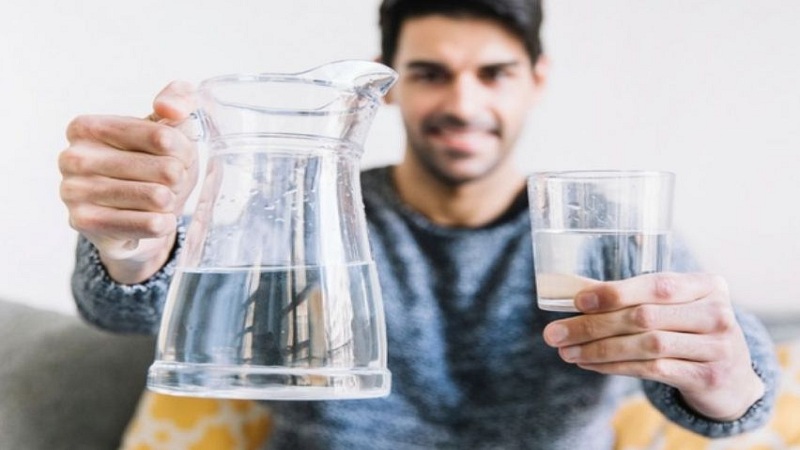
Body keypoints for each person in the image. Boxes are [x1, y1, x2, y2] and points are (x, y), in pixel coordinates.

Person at [58, 0, 778, 448]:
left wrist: (724, 376)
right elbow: (132, 306)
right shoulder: (311, 213)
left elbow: (735, 392)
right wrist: (132, 246)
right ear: (390, 81)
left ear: (536, 79)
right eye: (431, 73)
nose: (462, 104)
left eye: (493, 73)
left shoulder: (595, 232)